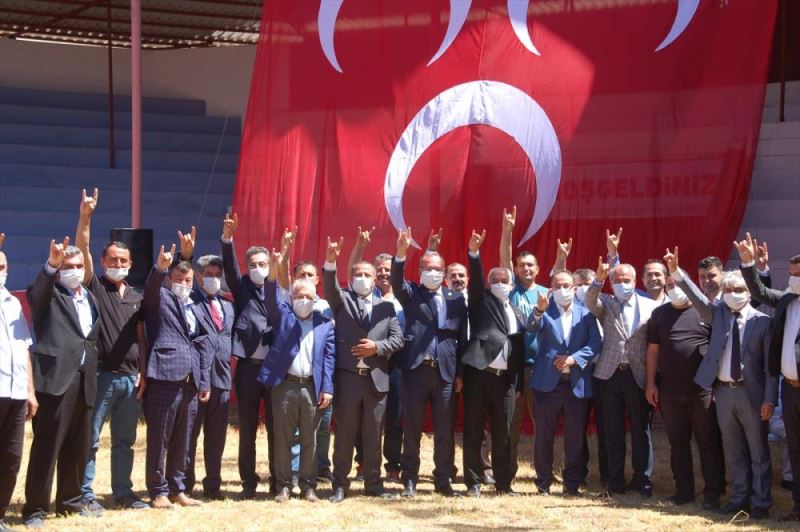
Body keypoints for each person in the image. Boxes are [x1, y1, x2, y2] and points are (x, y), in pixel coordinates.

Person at [668, 246, 775, 519]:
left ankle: (761, 502)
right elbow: (696, 297)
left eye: (738, 290)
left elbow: (770, 368)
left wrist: (769, 399)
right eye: (728, 290)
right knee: (733, 450)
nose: (732, 294)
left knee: (758, 452)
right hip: (724, 393)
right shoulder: (718, 315)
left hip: (752, 393)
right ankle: (739, 499)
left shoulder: (763, 322)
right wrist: (677, 273)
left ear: (749, 293)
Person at [74, 189, 149, 511]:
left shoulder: (136, 296)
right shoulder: (95, 287)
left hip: (131, 380)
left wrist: (143, 371)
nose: (118, 264)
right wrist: (85, 218)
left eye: (123, 260)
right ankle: (84, 494)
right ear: (103, 262)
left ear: (130, 264)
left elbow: (141, 337)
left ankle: (123, 493)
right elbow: (82, 249)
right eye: (113, 260)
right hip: (101, 376)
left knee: (124, 442)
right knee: (90, 440)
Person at [22, 237, 101, 527]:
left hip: (84, 379)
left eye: (78, 266)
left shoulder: (89, 298)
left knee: (78, 446)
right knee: (47, 447)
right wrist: (51, 265)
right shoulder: (49, 294)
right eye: (68, 267)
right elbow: (37, 293)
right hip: (55, 381)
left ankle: (70, 502)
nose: (74, 271)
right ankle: (35, 509)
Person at [323, 235, 404, 502]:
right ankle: (339, 484)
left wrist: (377, 347)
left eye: (367, 274)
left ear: (375, 279)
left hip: (376, 382)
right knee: (345, 434)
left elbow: (398, 340)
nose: (362, 278)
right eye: (357, 274)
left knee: (373, 435)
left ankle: (373, 484)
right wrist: (331, 261)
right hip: (348, 380)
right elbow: (330, 286)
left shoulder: (386, 307)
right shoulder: (342, 300)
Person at [391, 227, 468, 498]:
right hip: (416, 371)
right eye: (427, 268)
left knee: (445, 430)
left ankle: (443, 480)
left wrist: (459, 373)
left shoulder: (456, 299)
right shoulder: (412, 293)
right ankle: (410, 479)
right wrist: (400, 254)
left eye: (437, 269)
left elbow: (462, 338)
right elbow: (397, 281)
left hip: (445, 373)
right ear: (420, 271)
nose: (432, 272)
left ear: (444, 273)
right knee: (412, 427)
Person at [257, 249, 335, 503]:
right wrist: (275, 268)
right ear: (291, 298)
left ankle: (308, 486)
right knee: (283, 438)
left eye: (308, 297)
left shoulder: (324, 324)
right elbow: (270, 296)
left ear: (316, 298)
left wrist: (327, 388)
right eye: (299, 296)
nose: (304, 300)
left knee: (311, 439)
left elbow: (329, 359)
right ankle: (283, 486)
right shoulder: (284, 316)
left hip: (311, 387)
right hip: (285, 386)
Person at [734, 233, 800, 522]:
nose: (794, 279)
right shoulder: (787, 300)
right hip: (791, 389)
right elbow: (760, 292)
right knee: (795, 448)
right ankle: (798, 506)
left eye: (798, 275)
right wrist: (749, 265)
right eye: (792, 274)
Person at [644, 273, 725, 510]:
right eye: (669, 285)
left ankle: (713, 493)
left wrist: (716, 386)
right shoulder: (659, 314)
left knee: (708, 442)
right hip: (670, 391)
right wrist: (651, 383)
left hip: (702, 391)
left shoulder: (706, 311)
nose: (673, 289)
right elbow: (653, 351)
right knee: (678, 443)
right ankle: (683, 491)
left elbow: (720, 348)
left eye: (677, 284)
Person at [141, 243, 212, 509]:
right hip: (164, 378)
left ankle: (177, 488)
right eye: (178, 279)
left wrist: (204, 381)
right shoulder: (160, 299)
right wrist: (159, 269)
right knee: (159, 438)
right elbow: (150, 289)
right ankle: (157, 490)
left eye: (188, 280)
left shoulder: (196, 306)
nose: (183, 284)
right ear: (170, 280)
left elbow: (202, 345)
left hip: (191, 381)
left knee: (184, 439)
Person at [586, 242, 658, 499]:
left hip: (637, 374)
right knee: (612, 430)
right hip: (609, 374)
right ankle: (615, 480)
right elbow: (590, 302)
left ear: (635, 281)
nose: (622, 284)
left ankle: (643, 480)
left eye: (626, 280)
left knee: (641, 430)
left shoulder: (650, 305)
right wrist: (598, 280)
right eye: (617, 281)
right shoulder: (606, 302)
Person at [460, 228, 526, 497]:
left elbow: (518, 348)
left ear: (511, 285)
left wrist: (518, 383)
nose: (500, 283)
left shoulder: (516, 310)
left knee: (504, 433)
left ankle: (503, 484)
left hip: (506, 381)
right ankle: (474, 482)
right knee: (474, 430)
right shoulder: (481, 300)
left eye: (504, 280)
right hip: (479, 374)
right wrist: (474, 253)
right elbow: (476, 279)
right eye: (495, 280)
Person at [528, 269, 601, 496]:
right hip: (548, 385)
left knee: (575, 438)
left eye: (566, 286)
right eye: (557, 286)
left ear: (575, 289)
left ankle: (572, 484)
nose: (562, 290)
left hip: (575, 384)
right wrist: (539, 310)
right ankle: (543, 483)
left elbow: (595, 344)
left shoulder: (586, 314)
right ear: (551, 288)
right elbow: (531, 327)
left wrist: (574, 359)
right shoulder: (544, 310)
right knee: (544, 436)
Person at [220, 213, 276, 498]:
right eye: (253, 264)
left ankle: (278, 481)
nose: (258, 269)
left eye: (262, 264)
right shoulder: (242, 287)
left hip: (275, 369)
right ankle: (248, 482)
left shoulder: (277, 288)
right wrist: (227, 239)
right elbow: (230, 268)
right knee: (248, 428)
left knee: (277, 429)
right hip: (248, 370)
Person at [348, 227, 405, 483]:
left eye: (387, 269)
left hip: (397, 365)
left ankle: (393, 466)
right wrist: (359, 247)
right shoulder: (365, 296)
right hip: (369, 363)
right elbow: (352, 270)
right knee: (364, 416)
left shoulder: (403, 296)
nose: (383, 273)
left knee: (394, 417)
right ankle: (363, 463)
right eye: (379, 269)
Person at [499, 206, 549, 480]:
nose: (525, 268)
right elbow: (504, 259)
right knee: (511, 423)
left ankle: (544, 474)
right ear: (515, 270)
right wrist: (507, 231)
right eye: (521, 265)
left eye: (530, 265)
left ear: (538, 269)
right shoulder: (511, 290)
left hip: (541, 367)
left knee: (543, 423)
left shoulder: (547, 293)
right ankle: (506, 473)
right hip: (515, 368)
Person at [278, 253, 335, 484]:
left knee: (320, 430)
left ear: (318, 280)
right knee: (293, 433)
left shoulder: (326, 309)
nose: (307, 278)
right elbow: (278, 290)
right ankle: (291, 475)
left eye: (311, 274)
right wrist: (283, 257)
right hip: (290, 381)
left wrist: (327, 386)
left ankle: (318, 471)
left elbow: (329, 353)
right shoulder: (287, 309)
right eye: (302, 274)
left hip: (318, 382)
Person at [185, 255, 234, 500]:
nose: (214, 279)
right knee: (189, 434)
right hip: (196, 378)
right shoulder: (189, 302)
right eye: (209, 275)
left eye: (217, 275)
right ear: (198, 276)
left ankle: (213, 484)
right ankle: (184, 484)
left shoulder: (228, 305)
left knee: (216, 436)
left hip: (222, 378)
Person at [0, 234, 38, 529]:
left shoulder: (13, 302)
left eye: (2, 266)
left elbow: (24, 347)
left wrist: (30, 391)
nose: (0, 271)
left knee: (11, 458)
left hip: (15, 393)